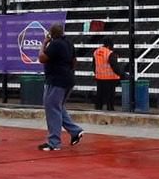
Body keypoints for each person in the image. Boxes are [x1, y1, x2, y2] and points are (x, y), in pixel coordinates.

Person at [38, 24, 83, 152]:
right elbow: (74, 61)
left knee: (52, 109)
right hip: (68, 80)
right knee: (58, 107)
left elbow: (42, 58)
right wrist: (67, 71)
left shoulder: (55, 44)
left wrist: (44, 43)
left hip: (56, 81)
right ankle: (75, 131)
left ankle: (54, 142)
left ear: (51, 34)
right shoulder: (69, 43)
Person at [92, 39, 123, 111]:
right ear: (109, 46)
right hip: (110, 77)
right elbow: (114, 66)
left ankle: (98, 107)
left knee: (99, 93)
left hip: (99, 76)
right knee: (110, 95)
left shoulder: (96, 51)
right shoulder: (110, 53)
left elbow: (93, 64)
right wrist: (121, 74)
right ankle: (110, 107)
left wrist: (96, 73)